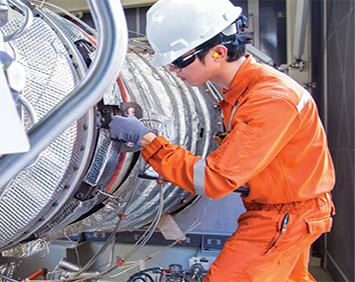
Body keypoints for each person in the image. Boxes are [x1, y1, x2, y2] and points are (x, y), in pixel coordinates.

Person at [108, 0, 335, 281]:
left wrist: (147, 140)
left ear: (218, 52)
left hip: (284, 216)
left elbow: (214, 180)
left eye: (179, 60)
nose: (172, 69)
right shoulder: (243, 92)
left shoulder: (269, 100)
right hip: (282, 211)